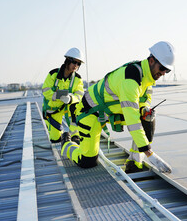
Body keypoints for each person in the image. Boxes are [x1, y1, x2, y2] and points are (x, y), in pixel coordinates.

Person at [61, 41, 174, 173]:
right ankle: (66, 144)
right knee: (88, 161)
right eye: (162, 68)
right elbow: (132, 119)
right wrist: (149, 153)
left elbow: (145, 100)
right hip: (90, 113)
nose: (164, 73)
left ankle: (134, 162)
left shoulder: (148, 78)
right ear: (152, 61)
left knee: (147, 117)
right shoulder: (131, 78)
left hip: (110, 112)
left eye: (167, 70)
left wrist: (144, 109)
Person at [42, 47, 85, 144]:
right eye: (74, 62)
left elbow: (80, 95)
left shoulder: (78, 79)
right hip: (53, 110)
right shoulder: (53, 74)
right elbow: (45, 90)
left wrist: (70, 98)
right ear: (68, 60)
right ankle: (63, 137)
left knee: (77, 107)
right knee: (55, 139)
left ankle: (75, 136)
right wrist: (58, 96)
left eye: (79, 64)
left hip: (69, 108)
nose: (76, 66)